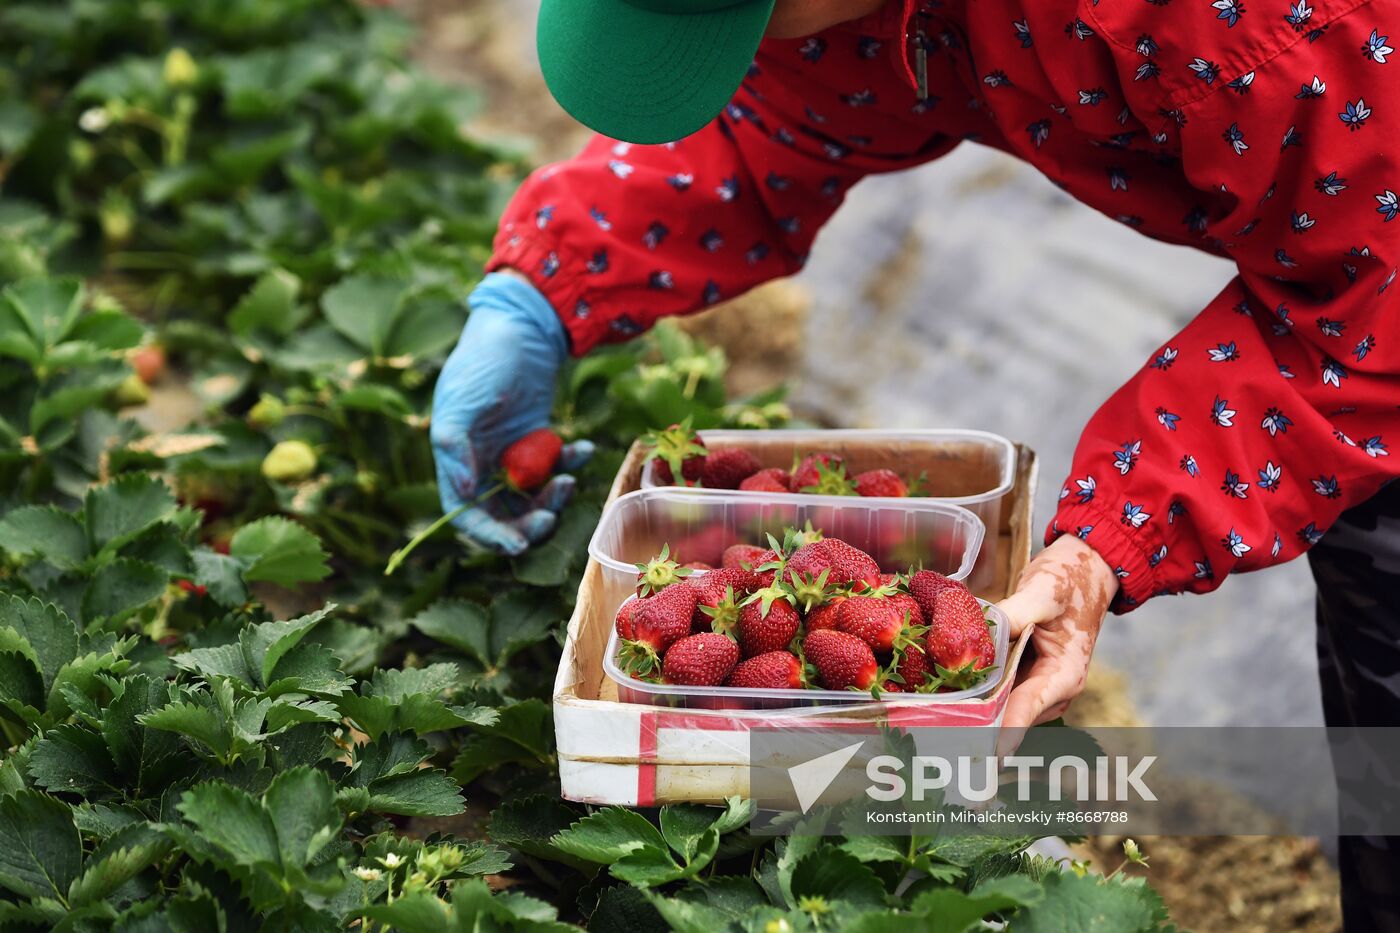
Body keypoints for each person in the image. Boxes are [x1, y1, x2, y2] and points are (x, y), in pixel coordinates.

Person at [431, 1, 1399, 925]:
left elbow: (1369, 305)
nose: (745, 46)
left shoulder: (1245, 20)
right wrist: (549, 280)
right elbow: (776, 110)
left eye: (742, 17)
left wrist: (1113, 535)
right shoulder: (842, 24)